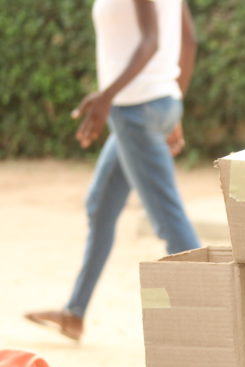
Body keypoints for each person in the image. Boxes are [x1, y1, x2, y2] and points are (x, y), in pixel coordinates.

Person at [25, 0, 200, 342]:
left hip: (136, 111)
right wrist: (172, 103)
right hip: (153, 105)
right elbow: (189, 40)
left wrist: (105, 99)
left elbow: (150, 42)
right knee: (101, 205)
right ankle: (74, 313)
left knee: (169, 223)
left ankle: (214, 320)